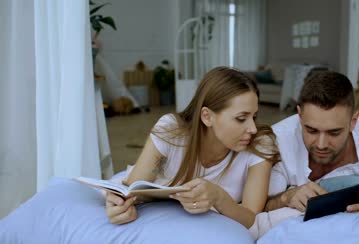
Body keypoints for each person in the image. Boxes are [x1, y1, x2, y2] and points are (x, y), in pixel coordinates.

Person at [105, 67, 279, 229]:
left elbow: (250, 218)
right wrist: (120, 206)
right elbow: (133, 190)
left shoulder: (260, 144)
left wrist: (218, 197)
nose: (253, 128)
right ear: (207, 116)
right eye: (241, 118)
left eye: (254, 117)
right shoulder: (171, 131)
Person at [265, 71, 359, 213]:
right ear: (299, 115)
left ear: (353, 122)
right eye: (311, 130)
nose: (321, 144)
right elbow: (258, 208)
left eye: (334, 132)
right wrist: (286, 197)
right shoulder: (276, 141)